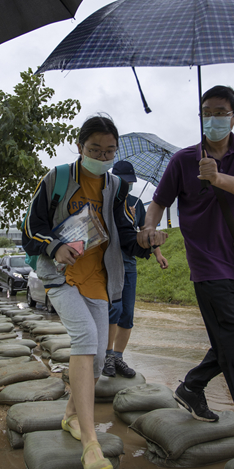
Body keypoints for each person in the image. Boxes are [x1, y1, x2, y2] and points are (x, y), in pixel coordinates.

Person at [143, 85, 234, 469]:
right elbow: (159, 202)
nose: (213, 118)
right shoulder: (183, 160)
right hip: (209, 269)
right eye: (206, 111)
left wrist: (218, 177)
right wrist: (150, 227)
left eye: (220, 112)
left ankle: (192, 386)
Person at [22, 115, 166, 469]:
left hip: (99, 278)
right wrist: (54, 246)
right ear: (79, 146)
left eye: (109, 151)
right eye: (94, 149)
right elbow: (30, 229)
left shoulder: (115, 186)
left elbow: (123, 234)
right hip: (62, 276)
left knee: (99, 359)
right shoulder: (57, 178)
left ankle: (71, 415)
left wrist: (144, 240)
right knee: (85, 340)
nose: (102, 156)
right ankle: (90, 442)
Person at [103, 161, 168, 378]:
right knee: (113, 309)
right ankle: (107, 355)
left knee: (127, 313)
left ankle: (118, 357)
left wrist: (158, 254)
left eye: (130, 182)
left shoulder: (136, 203)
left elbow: (146, 232)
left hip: (129, 265)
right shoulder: (105, 200)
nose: (128, 185)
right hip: (108, 263)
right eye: (124, 181)